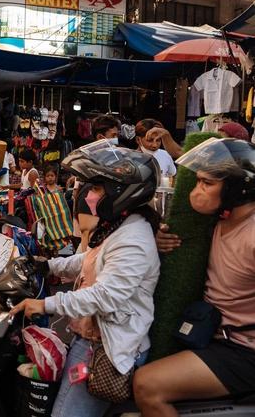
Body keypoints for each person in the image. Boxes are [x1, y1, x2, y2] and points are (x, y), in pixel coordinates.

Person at [10, 140, 161, 417]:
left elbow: (106, 296)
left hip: (105, 346)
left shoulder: (134, 239)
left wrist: (47, 305)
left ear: (121, 192)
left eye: (97, 187)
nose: (89, 195)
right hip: (90, 336)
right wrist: (48, 266)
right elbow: (89, 259)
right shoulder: (119, 227)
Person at [135, 138, 255, 416]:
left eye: (207, 183)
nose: (196, 190)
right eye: (198, 180)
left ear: (237, 188)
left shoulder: (250, 235)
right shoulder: (220, 221)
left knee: (147, 385)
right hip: (211, 334)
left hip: (242, 350)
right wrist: (159, 238)